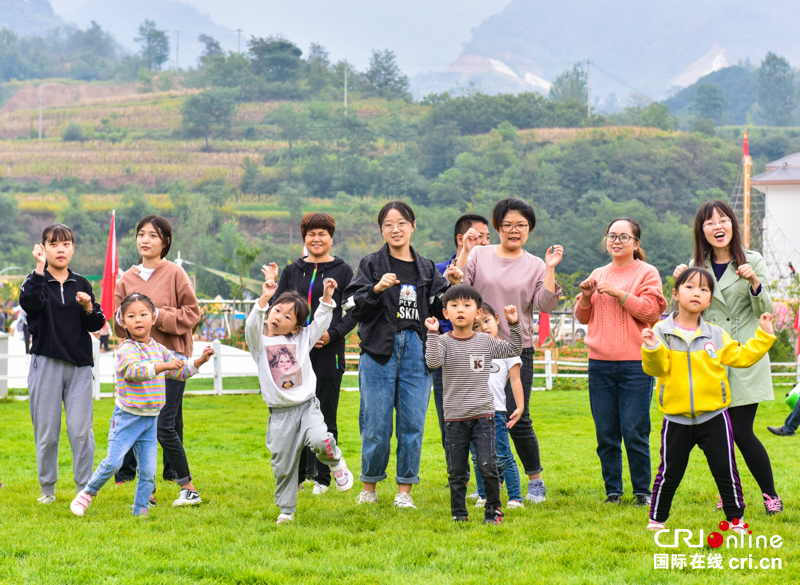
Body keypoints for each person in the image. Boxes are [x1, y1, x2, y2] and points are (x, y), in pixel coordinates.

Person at [343, 201, 460, 509]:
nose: (395, 229)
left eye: (401, 223)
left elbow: (440, 307)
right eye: (388, 225)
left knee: (412, 423)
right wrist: (377, 289)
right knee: (376, 424)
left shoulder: (425, 267)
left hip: (416, 350)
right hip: (379, 349)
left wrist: (453, 287)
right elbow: (351, 306)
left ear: (413, 226)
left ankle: (404, 492)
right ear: (381, 230)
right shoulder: (371, 264)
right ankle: (369, 487)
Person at [642, 267, 775, 531]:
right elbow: (656, 369)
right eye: (690, 286)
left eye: (704, 289)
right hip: (676, 419)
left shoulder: (716, 335)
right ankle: (657, 520)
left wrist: (764, 334)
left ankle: (736, 521)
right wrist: (652, 348)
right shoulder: (661, 332)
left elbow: (742, 357)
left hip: (714, 418)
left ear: (710, 300)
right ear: (676, 293)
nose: (697, 293)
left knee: (726, 472)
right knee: (669, 474)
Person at [674, 200, 783, 515]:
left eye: (723, 220)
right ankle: (730, 493)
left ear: (733, 225)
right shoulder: (696, 265)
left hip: (745, 355)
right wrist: (681, 285)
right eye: (709, 223)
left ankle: (770, 495)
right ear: (701, 230)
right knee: (718, 435)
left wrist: (754, 282)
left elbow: (766, 312)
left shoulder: (753, 260)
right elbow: (687, 312)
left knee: (740, 431)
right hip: (709, 357)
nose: (717, 227)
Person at [456, 197, 562, 503]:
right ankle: (490, 480)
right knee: (479, 415)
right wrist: (465, 251)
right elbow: (458, 286)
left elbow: (546, 304)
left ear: (529, 229)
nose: (514, 231)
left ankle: (535, 480)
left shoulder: (536, 264)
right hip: (476, 347)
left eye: (521, 225)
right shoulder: (480, 255)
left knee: (519, 416)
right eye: (507, 225)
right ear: (497, 226)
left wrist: (551, 269)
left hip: (517, 348)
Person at [70, 293, 214, 518]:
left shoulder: (158, 348)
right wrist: (163, 365)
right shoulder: (126, 349)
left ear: (153, 318)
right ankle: (87, 494)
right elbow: (135, 372)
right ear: (123, 322)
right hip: (127, 418)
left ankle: (140, 511)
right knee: (114, 463)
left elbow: (180, 371)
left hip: (150, 419)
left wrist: (199, 362)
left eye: (143, 314)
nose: (138, 319)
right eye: (131, 316)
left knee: (148, 471)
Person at [245, 271, 354, 524]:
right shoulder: (259, 344)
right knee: (283, 467)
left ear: (295, 326)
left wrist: (327, 298)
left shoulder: (303, 339)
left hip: (307, 407)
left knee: (320, 440)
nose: (278, 317)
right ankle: (287, 510)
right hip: (279, 415)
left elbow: (320, 322)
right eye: (276, 311)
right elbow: (252, 324)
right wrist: (263, 299)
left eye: (287, 316)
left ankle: (336, 463)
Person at [574, 218, 667, 506]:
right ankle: (612, 491)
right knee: (606, 432)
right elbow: (582, 316)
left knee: (634, 429)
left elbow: (651, 311)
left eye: (624, 237)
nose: (616, 241)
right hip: (599, 363)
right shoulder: (599, 272)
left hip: (634, 364)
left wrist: (619, 293)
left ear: (636, 244)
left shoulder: (647, 273)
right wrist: (587, 297)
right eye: (612, 236)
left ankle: (642, 491)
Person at [113, 216, 204, 506]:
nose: (145, 240)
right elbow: (118, 323)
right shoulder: (126, 278)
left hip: (172, 358)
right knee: (144, 424)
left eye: (153, 235)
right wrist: (127, 321)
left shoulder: (176, 273)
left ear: (165, 242)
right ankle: (148, 491)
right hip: (141, 365)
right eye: (141, 234)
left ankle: (186, 487)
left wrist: (157, 317)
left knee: (164, 424)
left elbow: (192, 313)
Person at [271, 212, 357, 495]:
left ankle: (323, 477)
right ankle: (299, 475)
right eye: (311, 233)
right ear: (303, 237)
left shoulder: (343, 271)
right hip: (292, 355)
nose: (316, 238)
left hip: (328, 352)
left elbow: (353, 311)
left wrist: (331, 334)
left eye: (322, 233)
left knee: (325, 412)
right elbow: (278, 304)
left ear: (331, 238)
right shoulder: (292, 270)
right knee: (295, 411)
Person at [20, 224, 106, 504]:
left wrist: (87, 306)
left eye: (66, 243)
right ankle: (48, 490)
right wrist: (38, 269)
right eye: (53, 244)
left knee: (81, 431)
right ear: (43, 248)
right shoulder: (35, 280)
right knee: (46, 432)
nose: (60, 249)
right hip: (44, 362)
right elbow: (30, 304)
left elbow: (96, 323)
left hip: (80, 366)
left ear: (73, 248)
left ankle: (85, 488)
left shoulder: (81, 283)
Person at [425, 285, 522, 524]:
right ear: (445, 313)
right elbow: (433, 362)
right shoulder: (444, 342)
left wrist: (514, 324)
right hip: (454, 417)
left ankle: (493, 510)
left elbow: (514, 349)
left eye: (467, 306)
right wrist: (432, 334)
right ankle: (459, 513)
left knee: (487, 465)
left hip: (483, 416)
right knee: (456, 471)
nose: (461, 310)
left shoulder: (485, 342)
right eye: (454, 306)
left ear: (477, 312)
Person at [432, 214, 491, 449]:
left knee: (487, 416)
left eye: (488, 237)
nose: (486, 243)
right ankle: (457, 475)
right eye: (479, 237)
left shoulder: (490, 272)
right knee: (447, 417)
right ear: (461, 238)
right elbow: (436, 306)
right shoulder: (436, 271)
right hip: (448, 354)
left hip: (482, 351)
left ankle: (489, 473)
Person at [469, 302, 525, 510]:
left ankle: (515, 497)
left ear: (497, 319)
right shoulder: (471, 350)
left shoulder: (508, 350)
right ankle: (483, 495)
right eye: (476, 326)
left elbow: (516, 381)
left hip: (497, 413)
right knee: (477, 458)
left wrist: (519, 407)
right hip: (474, 413)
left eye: (487, 321)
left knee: (503, 456)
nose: (483, 328)